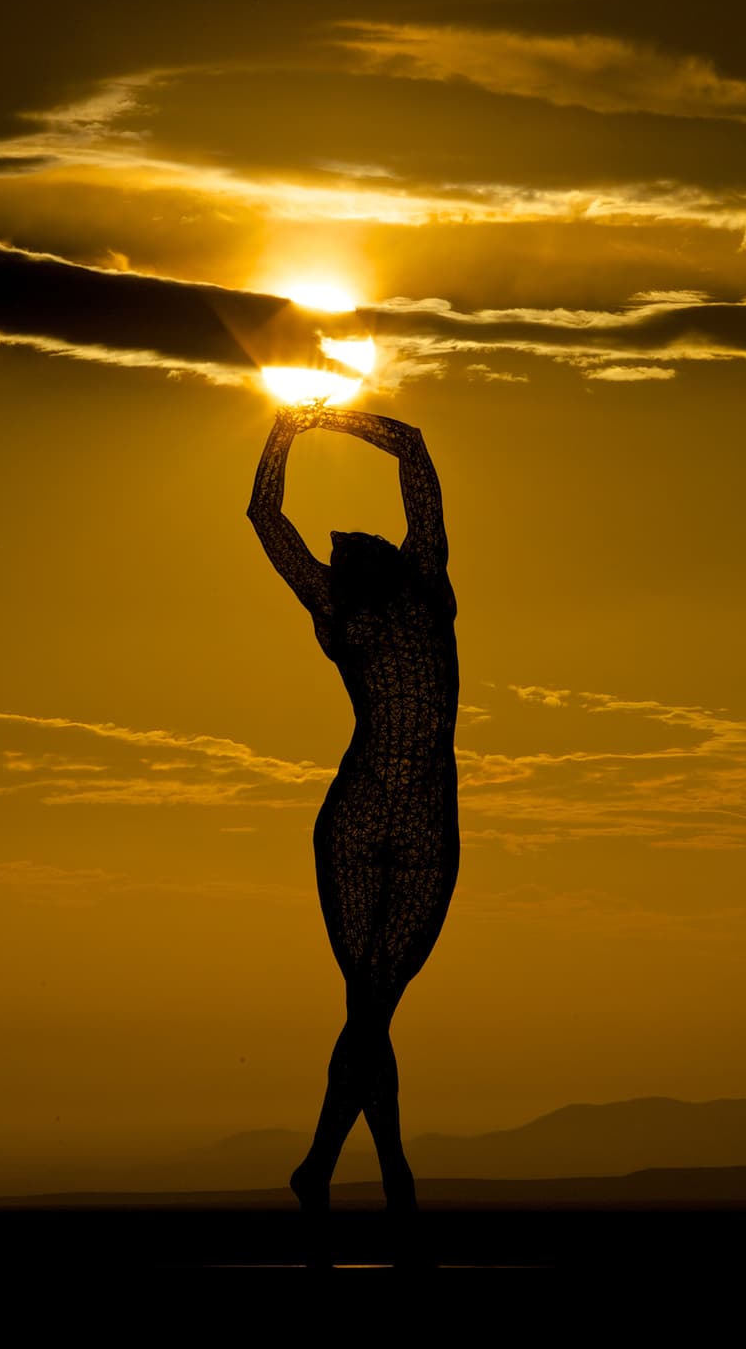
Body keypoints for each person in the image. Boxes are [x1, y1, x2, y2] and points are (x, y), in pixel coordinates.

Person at [247, 403, 459, 1216]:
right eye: (342, 549)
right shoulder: (339, 611)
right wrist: (282, 431)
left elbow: (413, 444)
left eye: (359, 541)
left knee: (371, 1002)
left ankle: (331, 1167)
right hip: (361, 815)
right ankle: (386, 1175)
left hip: (425, 827)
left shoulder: (429, 581)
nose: (349, 543)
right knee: (368, 1001)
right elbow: (265, 516)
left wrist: (319, 416)